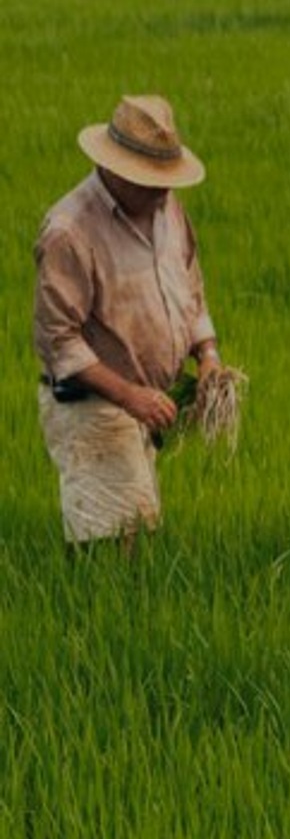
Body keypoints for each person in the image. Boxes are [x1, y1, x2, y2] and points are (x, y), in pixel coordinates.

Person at [33, 94, 223, 548]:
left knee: (136, 531)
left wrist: (208, 355)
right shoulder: (70, 231)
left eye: (166, 180)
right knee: (115, 543)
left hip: (146, 406)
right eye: (150, 181)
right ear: (115, 170)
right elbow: (60, 343)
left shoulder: (166, 208)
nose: (162, 191)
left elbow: (190, 288)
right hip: (93, 405)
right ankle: (91, 616)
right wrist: (130, 395)